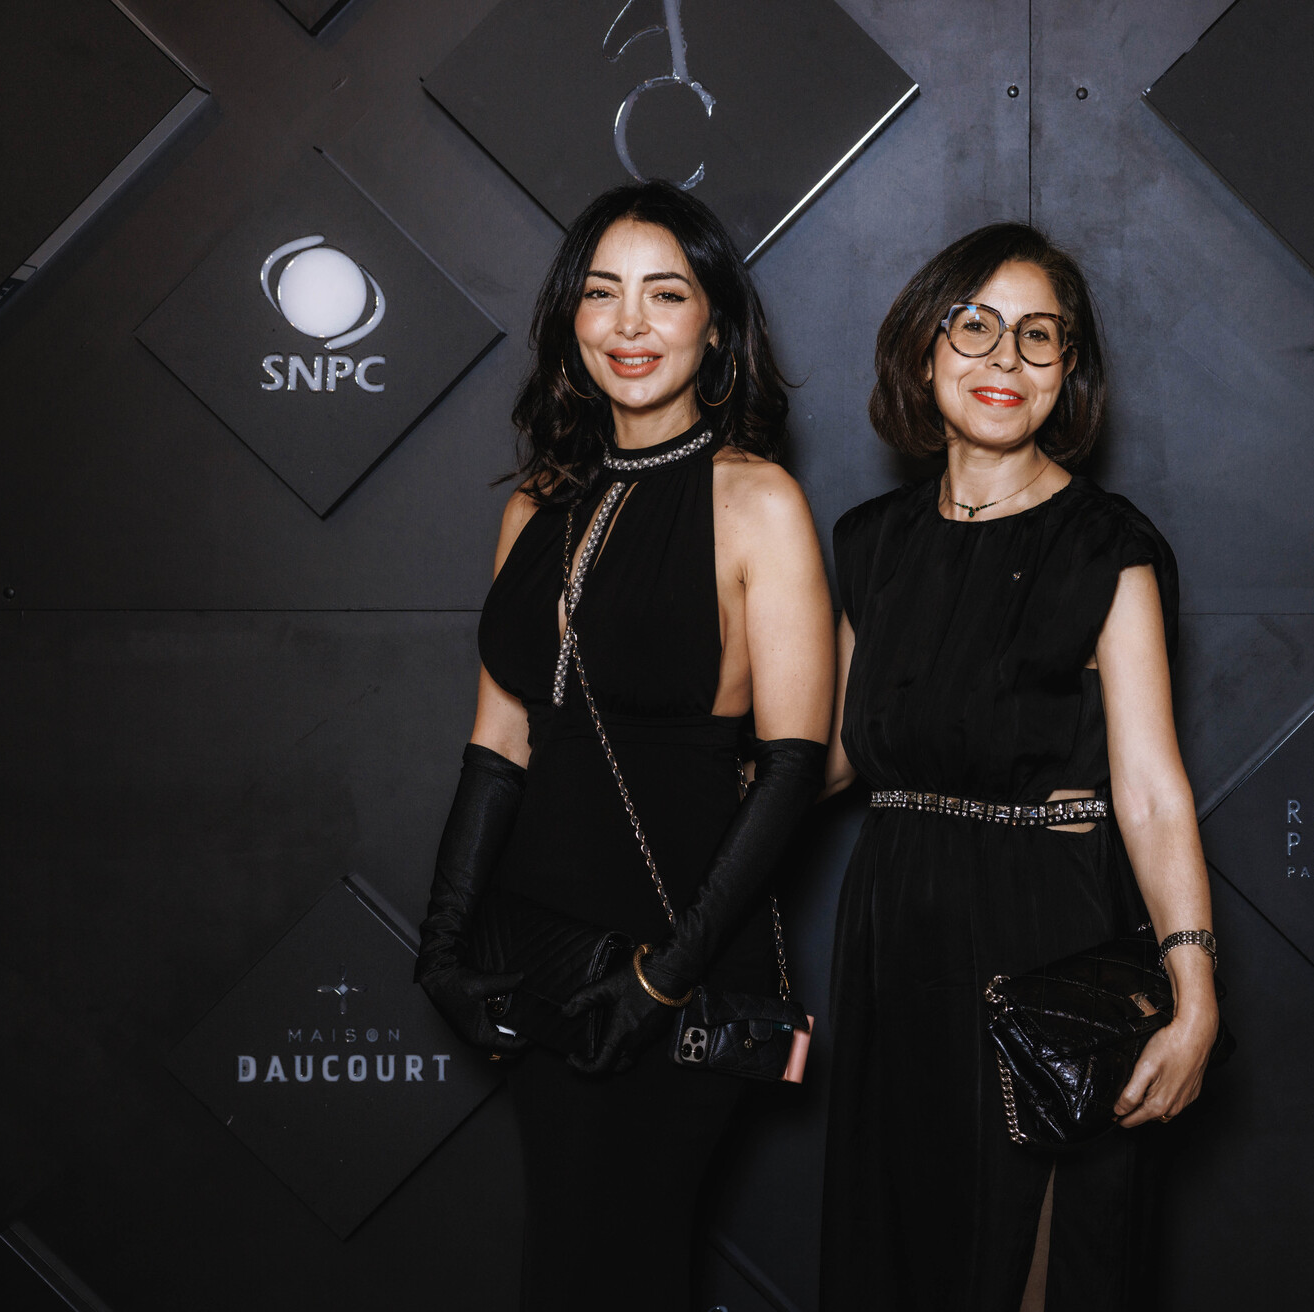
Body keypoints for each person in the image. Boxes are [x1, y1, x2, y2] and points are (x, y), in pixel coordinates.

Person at [412, 181, 833, 1310]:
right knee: (562, 1267)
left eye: (666, 294)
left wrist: (660, 980)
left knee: (627, 1264)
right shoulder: (534, 506)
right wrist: (441, 948)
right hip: (539, 951)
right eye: (601, 294)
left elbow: (793, 766)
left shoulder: (757, 503)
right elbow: (500, 742)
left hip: (675, 956)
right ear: (571, 319)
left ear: (715, 325)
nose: (630, 324)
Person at [819, 223, 1222, 1310]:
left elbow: (1150, 790)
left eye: (1038, 337)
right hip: (893, 933)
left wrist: (1192, 993)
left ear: (1066, 370)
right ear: (923, 350)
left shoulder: (1105, 545)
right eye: (975, 327)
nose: (1005, 357)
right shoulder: (869, 542)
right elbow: (830, 758)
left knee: (1032, 1265)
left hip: (1045, 937)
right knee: (902, 1256)